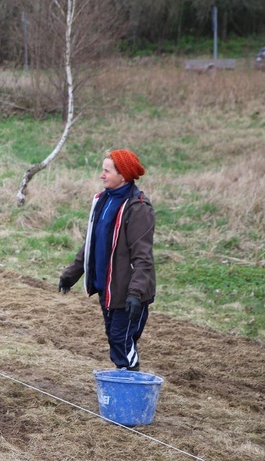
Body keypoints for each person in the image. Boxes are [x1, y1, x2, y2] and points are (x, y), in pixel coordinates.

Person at [58, 149, 156, 371]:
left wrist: (136, 295)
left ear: (123, 175)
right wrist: (70, 275)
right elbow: (92, 243)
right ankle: (125, 384)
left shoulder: (138, 208)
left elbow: (143, 257)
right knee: (115, 339)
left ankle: (131, 386)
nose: (101, 175)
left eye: (106, 171)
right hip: (107, 289)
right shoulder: (102, 201)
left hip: (127, 292)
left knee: (121, 341)